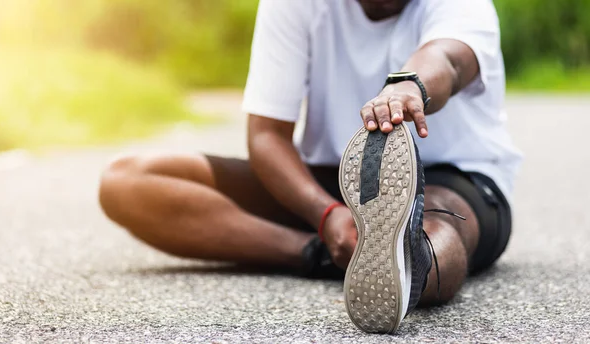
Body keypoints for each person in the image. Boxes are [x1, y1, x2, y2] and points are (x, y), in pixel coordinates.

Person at [98, 0, 522, 334]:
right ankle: (325, 253)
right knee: (126, 179)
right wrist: (325, 214)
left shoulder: (464, 5)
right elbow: (267, 135)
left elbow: (448, 59)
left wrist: (410, 84)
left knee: (436, 229)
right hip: (335, 178)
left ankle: (407, 264)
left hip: (457, 177)